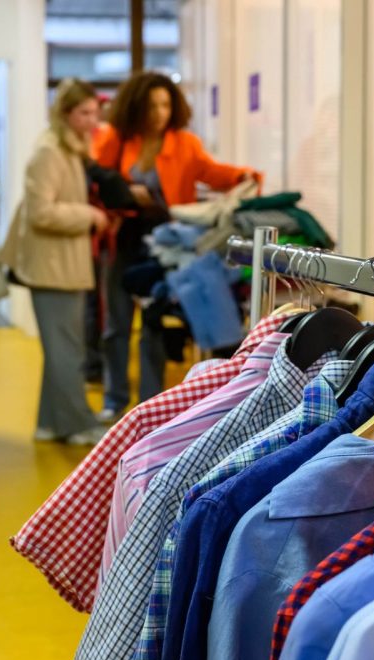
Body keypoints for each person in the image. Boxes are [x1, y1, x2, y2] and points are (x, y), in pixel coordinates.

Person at [93, 71, 258, 422]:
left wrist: (245, 177)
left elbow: (213, 173)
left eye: (165, 105)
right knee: (117, 324)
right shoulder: (117, 141)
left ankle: (148, 406)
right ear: (136, 107)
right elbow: (96, 183)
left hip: (166, 244)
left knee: (154, 321)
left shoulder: (184, 144)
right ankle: (114, 398)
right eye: (152, 105)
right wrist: (123, 192)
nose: (159, 113)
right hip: (123, 239)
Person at [0, 79, 111, 446]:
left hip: (63, 263)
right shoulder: (49, 152)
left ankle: (49, 422)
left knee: (62, 347)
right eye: (84, 113)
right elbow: (41, 213)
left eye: (95, 112)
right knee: (67, 349)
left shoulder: (70, 149)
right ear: (65, 114)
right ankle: (75, 423)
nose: (92, 120)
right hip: (52, 266)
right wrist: (89, 215)